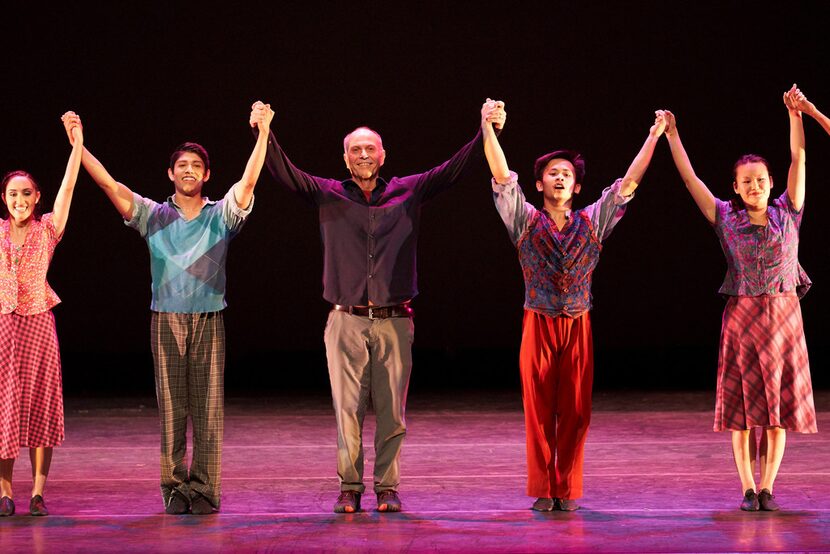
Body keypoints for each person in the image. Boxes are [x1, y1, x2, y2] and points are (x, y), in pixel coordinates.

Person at [260, 101, 505, 513]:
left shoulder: (409, 189)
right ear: (345, 157)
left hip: (394, 320)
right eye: (355, 149)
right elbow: (284, 170)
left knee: (393, 412)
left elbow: (454, 168)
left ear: (383, 154)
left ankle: (387, 488)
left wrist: (486, 128)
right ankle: (350, 488)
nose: (363, 155)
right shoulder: (328, 192)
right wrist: (263, 131)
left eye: (369, 148)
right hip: (345, 319)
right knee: (347, 411)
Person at [71, 101, 273, 515]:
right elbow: (110, 186)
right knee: (172, 410)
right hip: (165, 318)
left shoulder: (221, 216)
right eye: (182, 164)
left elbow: (249, 181)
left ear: (207, 174)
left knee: (208, 410)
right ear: (171, 173)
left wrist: (264, 132)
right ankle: (175, 488)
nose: (188, 170)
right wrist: (79, 145)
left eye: (196, 164)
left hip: (209, 317)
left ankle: (205, 489)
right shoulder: (153, 215)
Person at [482, 99, 665, 511]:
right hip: (539, 322)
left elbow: (628, 185)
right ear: (541, 185)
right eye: (553, 173)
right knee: (539, 410)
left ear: (577, 186)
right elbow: (500, 175)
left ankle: (566, 488)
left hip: (578, 323)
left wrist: (653, 136)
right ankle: (544, 488)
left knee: (577, 412)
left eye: (567, 174)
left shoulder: (592, 221)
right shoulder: (524, 219)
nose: (560, 177)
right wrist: (487, 128)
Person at [662, 85, 817, 512]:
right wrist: (673, 134)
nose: (755, 186)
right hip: (743, 317)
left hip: (785, 317)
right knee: (744, 411)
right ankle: (747, 488)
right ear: (735, 185)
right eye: (746, 181)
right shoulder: (724, 218)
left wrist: (795, 114)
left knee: (777, 411)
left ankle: (768, 487)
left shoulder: (790, 211)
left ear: (771, 184)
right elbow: (690, 179)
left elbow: (799, 158)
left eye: (761, 180)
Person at [0, 112, 83, 517]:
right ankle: (5, 493)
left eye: (26, 194)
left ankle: (36, 492)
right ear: (5, 199)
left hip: (39, 323)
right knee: (5, 407)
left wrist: (77, 144)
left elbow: (69, 186)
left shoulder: (47, 229)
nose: (20, 200)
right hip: (2, 327)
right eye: (13, 194)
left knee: (41, 403)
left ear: (37, 198)